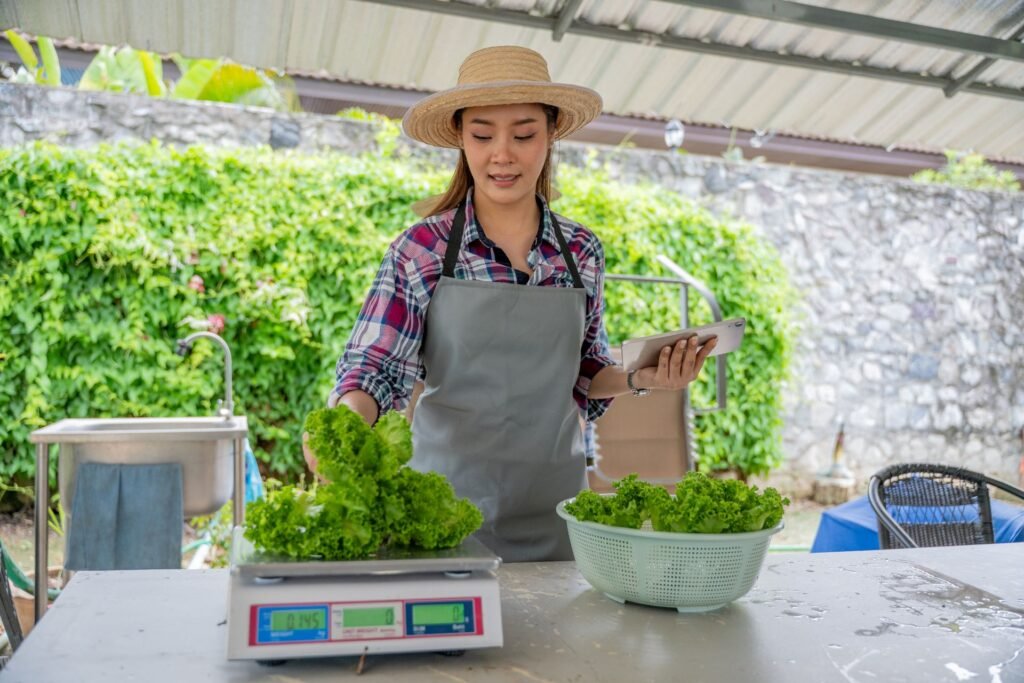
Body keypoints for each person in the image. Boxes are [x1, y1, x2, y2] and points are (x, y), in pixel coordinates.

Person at [306, 45, 717, 562]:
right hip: (442, 518)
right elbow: (375, 368)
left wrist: (642, 378)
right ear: (460, 138)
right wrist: (344, 427)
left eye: (524, 134)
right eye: (482, 135)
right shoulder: (422, 250)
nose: (503, 154)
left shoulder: (581, 252)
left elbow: (587, 371)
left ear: (550, 136)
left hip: (558, 515)